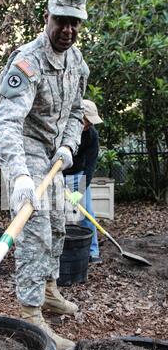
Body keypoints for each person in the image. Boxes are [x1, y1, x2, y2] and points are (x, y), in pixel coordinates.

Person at [0, 0, 88, 350]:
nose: (68, 30)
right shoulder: (27, 63)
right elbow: (5, 126)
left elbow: (77, 111)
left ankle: (48, 292)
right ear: (47, 17)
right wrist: (18, 176)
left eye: (75, 23)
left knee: (61, 224)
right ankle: (31, 316)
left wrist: (68, 144)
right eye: (61, 20)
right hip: (27, 150)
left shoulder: (78, 62)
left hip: (52, 153)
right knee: (36, 229)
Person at [64, 99, 104, 263]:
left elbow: (90, 165)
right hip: (57, 175)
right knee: (55, 213)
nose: (88, 125)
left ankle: (93, 251)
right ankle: (57, 251)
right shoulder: (62, 129)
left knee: (87, 213)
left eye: (90, 122)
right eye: (86, 121)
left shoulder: (91, 135)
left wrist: (79, 191)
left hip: (78, 176)